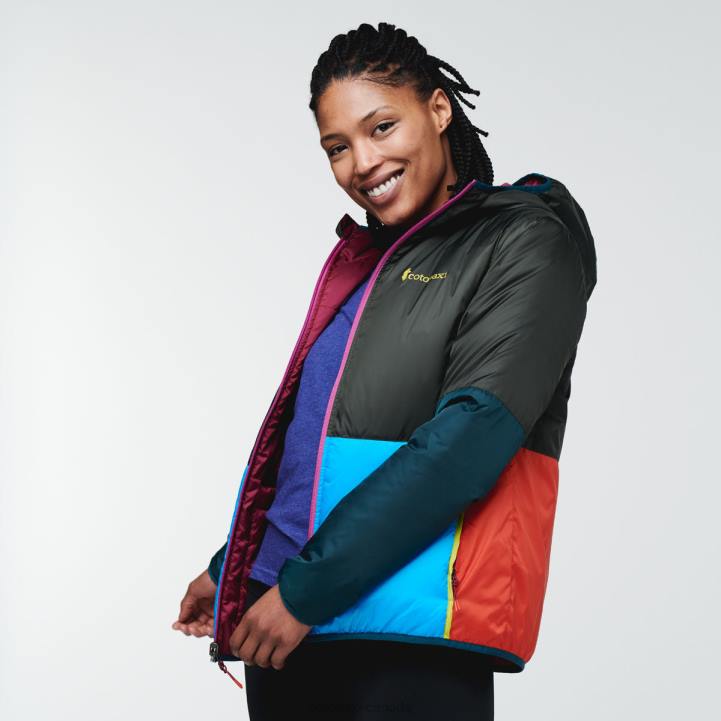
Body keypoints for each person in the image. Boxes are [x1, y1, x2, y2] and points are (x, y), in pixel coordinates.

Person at [173, 21, 597, 721]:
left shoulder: (522, 238)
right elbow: (312, 452)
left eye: (381, 127)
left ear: (439, 109)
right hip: (284, 627)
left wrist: (305, 591)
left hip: (402, 639)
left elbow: (468, 440)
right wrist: (236, 565)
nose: (362, 163)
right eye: (337, 147)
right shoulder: (370, 263)